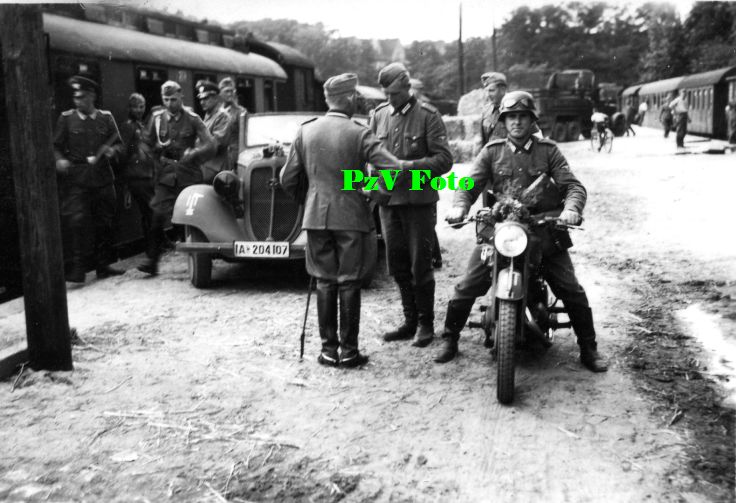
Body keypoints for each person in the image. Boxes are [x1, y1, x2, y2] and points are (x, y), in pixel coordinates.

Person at [434, 91, 608, 373]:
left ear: (532, 120)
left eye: (522, 116)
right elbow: (467, 186)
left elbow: (573, 186)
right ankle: (450, 338)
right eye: (511, 117)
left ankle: (589, 347)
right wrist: (459, 207)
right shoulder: (492, 151)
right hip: (501, 231)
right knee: (468, 285)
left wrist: (571, 209)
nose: (516, 122)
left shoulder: (548, 151)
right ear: (503, 121)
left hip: (542, 231)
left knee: (570, 288)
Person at [280, 73, 403, 368]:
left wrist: (309, 199)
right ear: (348, 98)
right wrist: (374, 192)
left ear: (328, 99)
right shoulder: (358, 132)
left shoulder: (305, 131)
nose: (357, 100)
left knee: (324, 281)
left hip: (316, 217)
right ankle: (349, 352)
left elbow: (287, 178)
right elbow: (394, 168)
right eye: (355, 96)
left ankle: (327, 351)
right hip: (350, 217)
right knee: (349, 282)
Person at [371, 62, 453, 348]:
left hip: (419, 202)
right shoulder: (379, 115)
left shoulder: (428, 116)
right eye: (386, 94)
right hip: (388, 202)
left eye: (394, 94)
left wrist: (408, 167)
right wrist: (372, 184)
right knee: (397, 264)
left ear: (407, 88)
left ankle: (426, 324)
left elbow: (444, 160)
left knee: (421, 264)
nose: (389, 99)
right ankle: (409, 321)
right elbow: (372, 157)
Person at [137, 80, 215, 275]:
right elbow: (145, 143)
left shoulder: (193, 118)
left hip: (188, 175)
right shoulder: (157, 119)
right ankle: (152, 261)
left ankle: (201, 261)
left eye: (173, 99)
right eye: (166, 99)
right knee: (157, 216)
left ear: (181, 97)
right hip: (166, 175)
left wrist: (195, 152)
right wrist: (152, 155)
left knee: (192, 218)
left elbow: (211, 144)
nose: (170, 103)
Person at [53, 75, 125, 283]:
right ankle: (79, 269)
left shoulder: (106, 117)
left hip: (102, 178)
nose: (78, 101)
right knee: (77, 222)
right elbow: (55, 146)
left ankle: (103, 266)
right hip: (78, 180)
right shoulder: (66, 118)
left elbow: (120, 145)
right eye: (75, 97)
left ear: (92, 96)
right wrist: (59, 160)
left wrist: (112, 151)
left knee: (105, 222)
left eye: (82, 97)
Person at [409, 77, 443, 269]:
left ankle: (433, 256)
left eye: (415, 90)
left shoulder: (427, 112)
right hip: (414, 176)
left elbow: (438, 153)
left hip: (424, 176)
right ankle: (433, 256)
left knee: (427, 220)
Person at [118, 93, 155, 260]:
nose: (139, 110)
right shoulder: (128, 127)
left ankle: (155, 245)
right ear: (129, 108)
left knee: (150, 212)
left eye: (142, 106)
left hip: (145, 175)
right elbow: (124, 152)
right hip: (136, 176)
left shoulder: (141, 125)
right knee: (150, 212)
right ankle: (152, 249)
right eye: (135, 107)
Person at [196, 80, 231, 183]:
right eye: (201, 99)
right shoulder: (208, 115)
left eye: (206, 98)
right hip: (206, 165)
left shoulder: (222, 116)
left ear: (216, 98)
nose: (202, 102)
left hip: (215, 168)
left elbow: (216, 143)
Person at [219, 76, 247, 170]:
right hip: (221, 159)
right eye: (227, 91)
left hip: (236, 156)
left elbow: (245, 135)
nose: (230, 94)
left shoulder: (241, 111)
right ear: (220, 93)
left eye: (231, 91)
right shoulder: (217, 111)